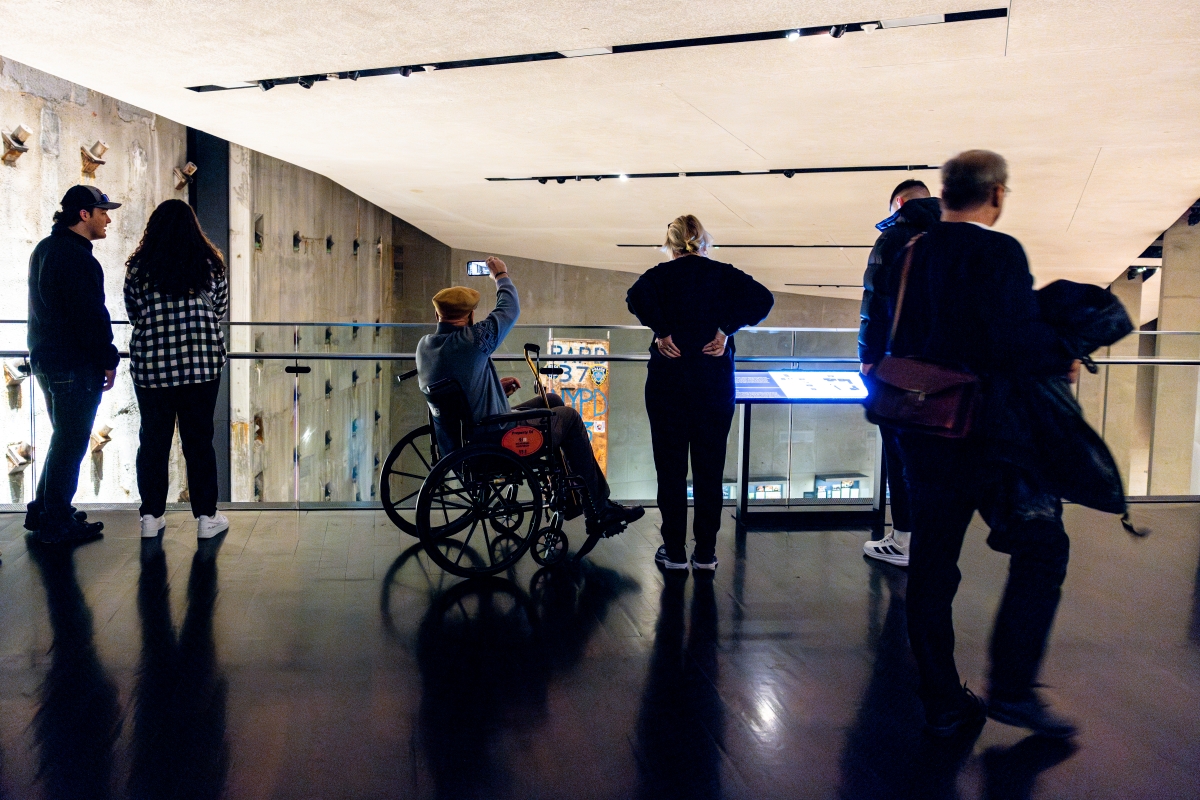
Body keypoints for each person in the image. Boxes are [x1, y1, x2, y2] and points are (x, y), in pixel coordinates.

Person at [887, 151, 1078, 738]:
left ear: (944, 193)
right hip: (988, 434)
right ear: (996, 194)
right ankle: (1013, 688)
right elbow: (1015, 340)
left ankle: (944, 699)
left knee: (932, 564)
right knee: (1044, 548)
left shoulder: (910, 251)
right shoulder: (999, 252)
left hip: (924, 427)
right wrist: (1063, 355)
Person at [415, 256, 643, 535]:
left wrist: (493, 386)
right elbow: (509, 309)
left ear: (437, 315)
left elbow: (458, 387)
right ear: (472, 316)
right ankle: (599, 508)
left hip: (460, 439)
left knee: (553, 402)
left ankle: (572, 497)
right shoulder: (472, 340)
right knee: (569, 418)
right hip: (492, 437)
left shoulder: (425, 346)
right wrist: (501, 275)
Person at [627, 215, 773, 571]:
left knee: (670, 469)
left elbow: (634, 298)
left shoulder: (658, 276)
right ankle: (705, 553)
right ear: (704, 241)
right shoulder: (724, 274)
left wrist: (662, 331)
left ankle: (674, 551)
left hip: (668, 383)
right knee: (710, 469)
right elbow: (763, 299)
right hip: (714, 384)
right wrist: (725, 330)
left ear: (671, 244)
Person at [125, 199, 229, 540]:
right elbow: (220, 308)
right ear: (193, 227)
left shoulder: (139, 267)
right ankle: (207, 517)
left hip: (153, 367)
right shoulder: (210, 263)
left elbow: (134, 311)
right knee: (198, 441)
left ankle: (151, 517)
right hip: (201, 366)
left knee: (153, 442)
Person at [25, 185, 121, 545]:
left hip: (47, 360)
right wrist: (107, 357)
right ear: (84, 214)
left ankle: (45, 510)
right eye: (102, 212)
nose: (107, 219)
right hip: (74, 364)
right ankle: (57, 523)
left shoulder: (45, 249)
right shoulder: (78, 257)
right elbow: (89, 316)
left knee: (63, 439)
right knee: (72, 442)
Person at [859, 180, 942, 567]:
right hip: (942, 371)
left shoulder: (891, 239)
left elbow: (874, 304)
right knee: (932, 455)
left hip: (897, 366)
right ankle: (930, 540)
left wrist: (867, 358)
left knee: (898, 451)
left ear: (899, 202)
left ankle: (903, 539)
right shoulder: (951, 237)